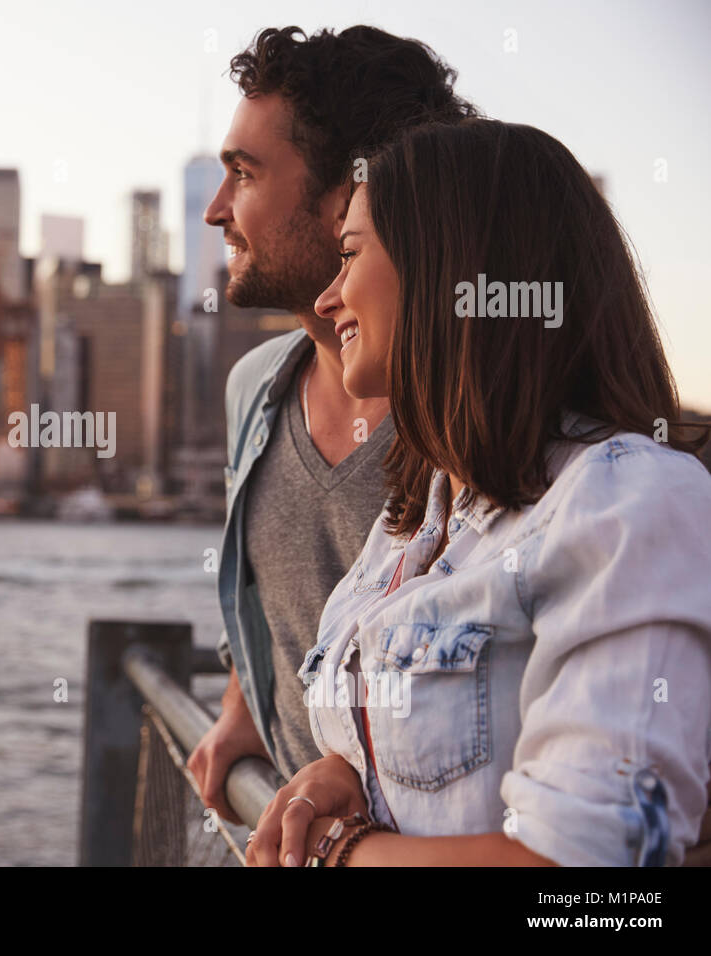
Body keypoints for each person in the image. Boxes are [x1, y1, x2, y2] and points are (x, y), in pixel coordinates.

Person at [245, 118, 711, 866]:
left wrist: (346, 855)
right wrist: (346, 776)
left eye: (351, 256)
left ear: (448, 274)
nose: (328, 298)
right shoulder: (412, 524)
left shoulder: (628, 503)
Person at [186, 25, 477, 824]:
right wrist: (242, 703)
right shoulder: (255, 390)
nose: (217, 211)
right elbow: (266, 597)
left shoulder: (479, 418)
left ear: (349, 195)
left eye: (244, 175)